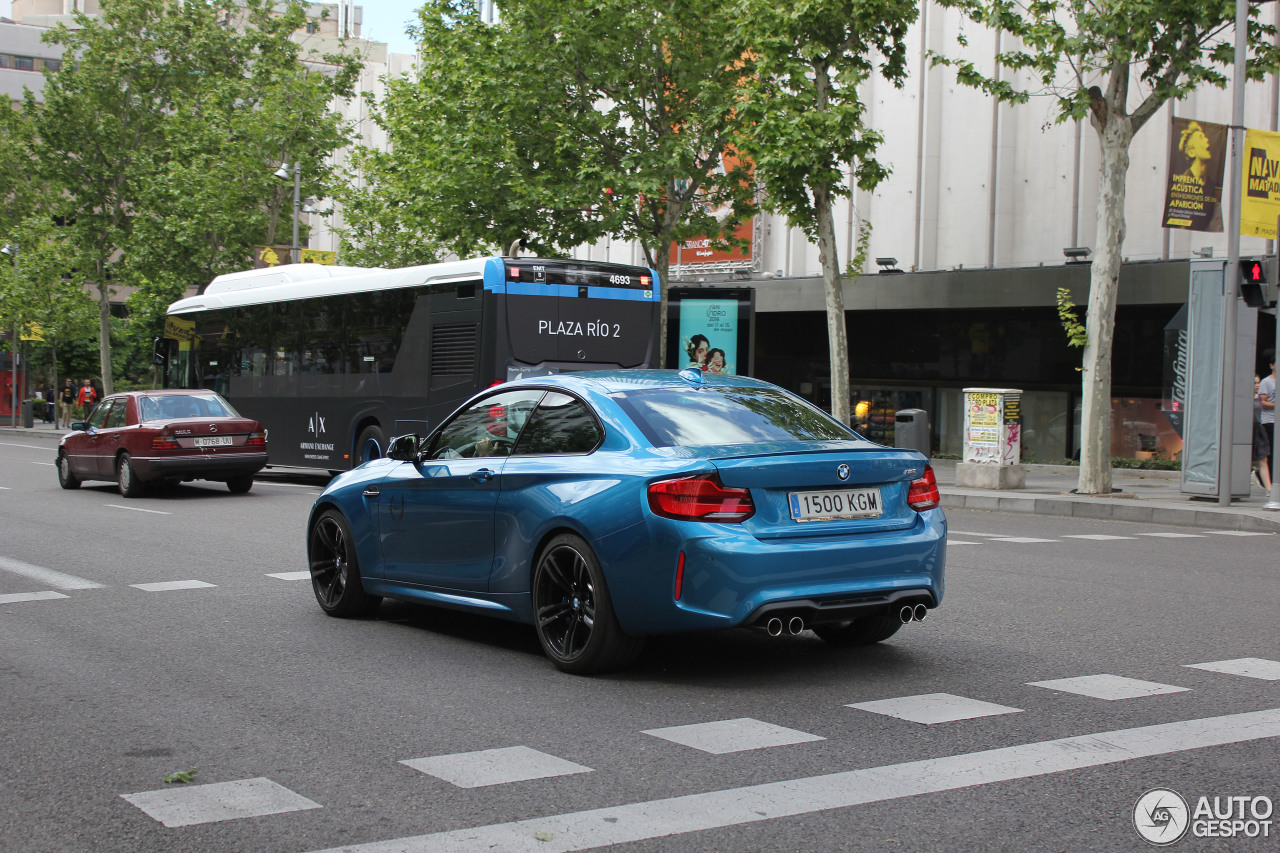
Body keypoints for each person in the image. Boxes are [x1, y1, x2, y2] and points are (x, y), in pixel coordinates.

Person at [1253, 374, 1272, 491]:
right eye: (1254, 383)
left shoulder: (1258, 397)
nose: (1257, 385)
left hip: (1258, 428)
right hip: (1245, 429)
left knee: (1263, 459)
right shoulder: (1241, 397)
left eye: (1258, 382)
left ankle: (1269, 489)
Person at [1260, 350, 1275, 479]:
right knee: (1271, 453)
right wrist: (1276, 405)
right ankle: (1266, 478)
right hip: (1269, 422)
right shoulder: (1267, 382)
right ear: (1272, 365)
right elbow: (1261, 402)